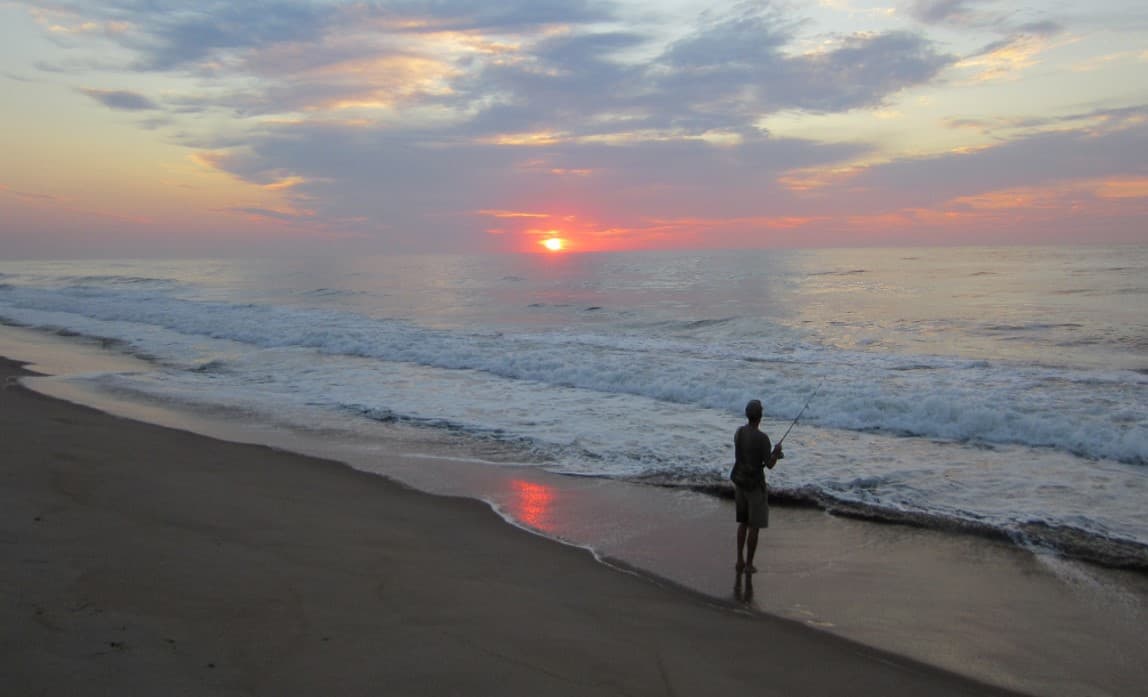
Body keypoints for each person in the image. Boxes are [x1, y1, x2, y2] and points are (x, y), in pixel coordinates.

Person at [733, 399, 782, 574]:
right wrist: (776, 453)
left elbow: (742, 455)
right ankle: (749, 565)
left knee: (743, 523)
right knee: (754, 526)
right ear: (760, 416)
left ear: (748, 415)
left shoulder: (739, 432)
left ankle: (739, 560)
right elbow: (769, 464)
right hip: (754, 486)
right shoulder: (762, 438)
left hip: (740, 482)